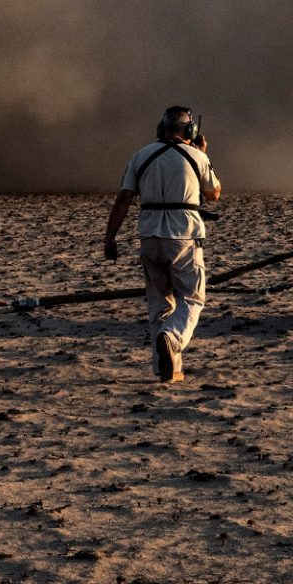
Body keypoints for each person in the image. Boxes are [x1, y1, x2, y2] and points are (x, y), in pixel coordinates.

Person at [102, 106, 223, 383]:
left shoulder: (140, 156)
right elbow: (214, 193)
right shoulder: (196, 157)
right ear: (190, 131)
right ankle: (172, 337)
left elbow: (123, 199)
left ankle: (168, 370)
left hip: (149, 238)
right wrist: (203, 155)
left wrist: (109, 238)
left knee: (159, 305)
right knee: (192, 298)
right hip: (184, 236)